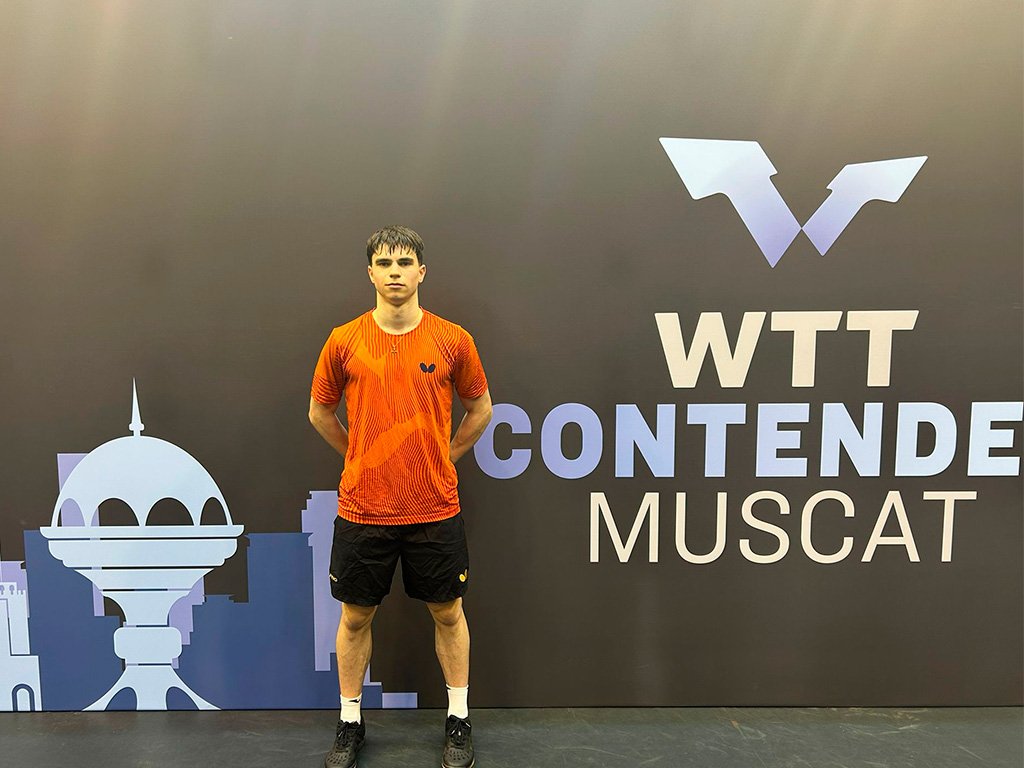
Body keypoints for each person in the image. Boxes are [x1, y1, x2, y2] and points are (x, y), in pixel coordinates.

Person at [308, 225, 492, 768]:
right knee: (355, 618)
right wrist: (360, 455)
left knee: (449, 613)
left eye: (404, 262)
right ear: (370, 273)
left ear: (421, 272)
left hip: (434, 507)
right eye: (385, 263)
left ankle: (458, 718)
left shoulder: (453, 340)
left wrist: (443, 456)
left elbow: (480, 409)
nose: (395, 271)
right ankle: (350, 722)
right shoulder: (343, 341)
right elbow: (320, 412)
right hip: (363, 508)